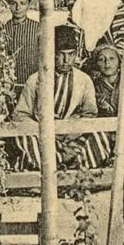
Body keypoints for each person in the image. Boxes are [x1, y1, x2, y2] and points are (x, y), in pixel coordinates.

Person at [12, 25, 111, 170]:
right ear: (52, 54)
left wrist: (71, 132)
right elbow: (20, 114)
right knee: (24, 138)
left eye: (71, 54)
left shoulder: (83, 80)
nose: (67, 60)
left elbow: (90, 114)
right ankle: (51, 168)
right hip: (43, 137)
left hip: (73, 136)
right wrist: (45, 131)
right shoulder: (35, 79)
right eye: (61, 54)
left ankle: (73, 169)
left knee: (99, 135)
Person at [5, 0, 40, 93]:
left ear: (29, 4)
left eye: (22, 3)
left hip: (32, 85)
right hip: (10, 86)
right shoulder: (3, 29)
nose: (18, 8)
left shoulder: (37, 28)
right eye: (13, 3)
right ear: (8, 4)